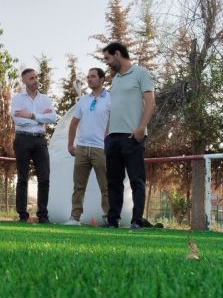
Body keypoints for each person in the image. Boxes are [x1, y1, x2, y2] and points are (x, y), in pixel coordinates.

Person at [102, 42, 155, 229]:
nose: (107, 63)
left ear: (117, 54)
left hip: (132, 137)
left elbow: (150, 103)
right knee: (113, 182)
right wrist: (106, 133)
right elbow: (113, 109)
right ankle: (112, 220)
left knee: (136, 180)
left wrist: (141, 128)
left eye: (108, 58)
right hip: (113, 138)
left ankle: (136, 221)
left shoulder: (141, 73)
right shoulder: (115, 80)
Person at [64, 67, 110, 226]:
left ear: (102, 79)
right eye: (88, 77)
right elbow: (74, 123)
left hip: (101, 149)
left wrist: (109, 144)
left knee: (106, 187)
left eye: (93, 76)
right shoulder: (83, 100)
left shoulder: (110, 99)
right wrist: (70, 144)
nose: (89, 79)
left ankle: (108, 218)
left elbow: (112, 124)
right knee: (78, 187)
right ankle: (75, 218)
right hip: (82, 148)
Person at [11, 69, 57, 223]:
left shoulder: (45, 99)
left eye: (36, 77)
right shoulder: (17, 98)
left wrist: (31, 115)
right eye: (31, 78)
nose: (35, 80)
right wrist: (41, 118)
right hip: (22, 139)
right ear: (24, 81)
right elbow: (18, 120)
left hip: (40, 141)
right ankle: (23, 216)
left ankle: (43, 215)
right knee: (22, 178)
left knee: (44, 178)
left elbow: (52, 118)